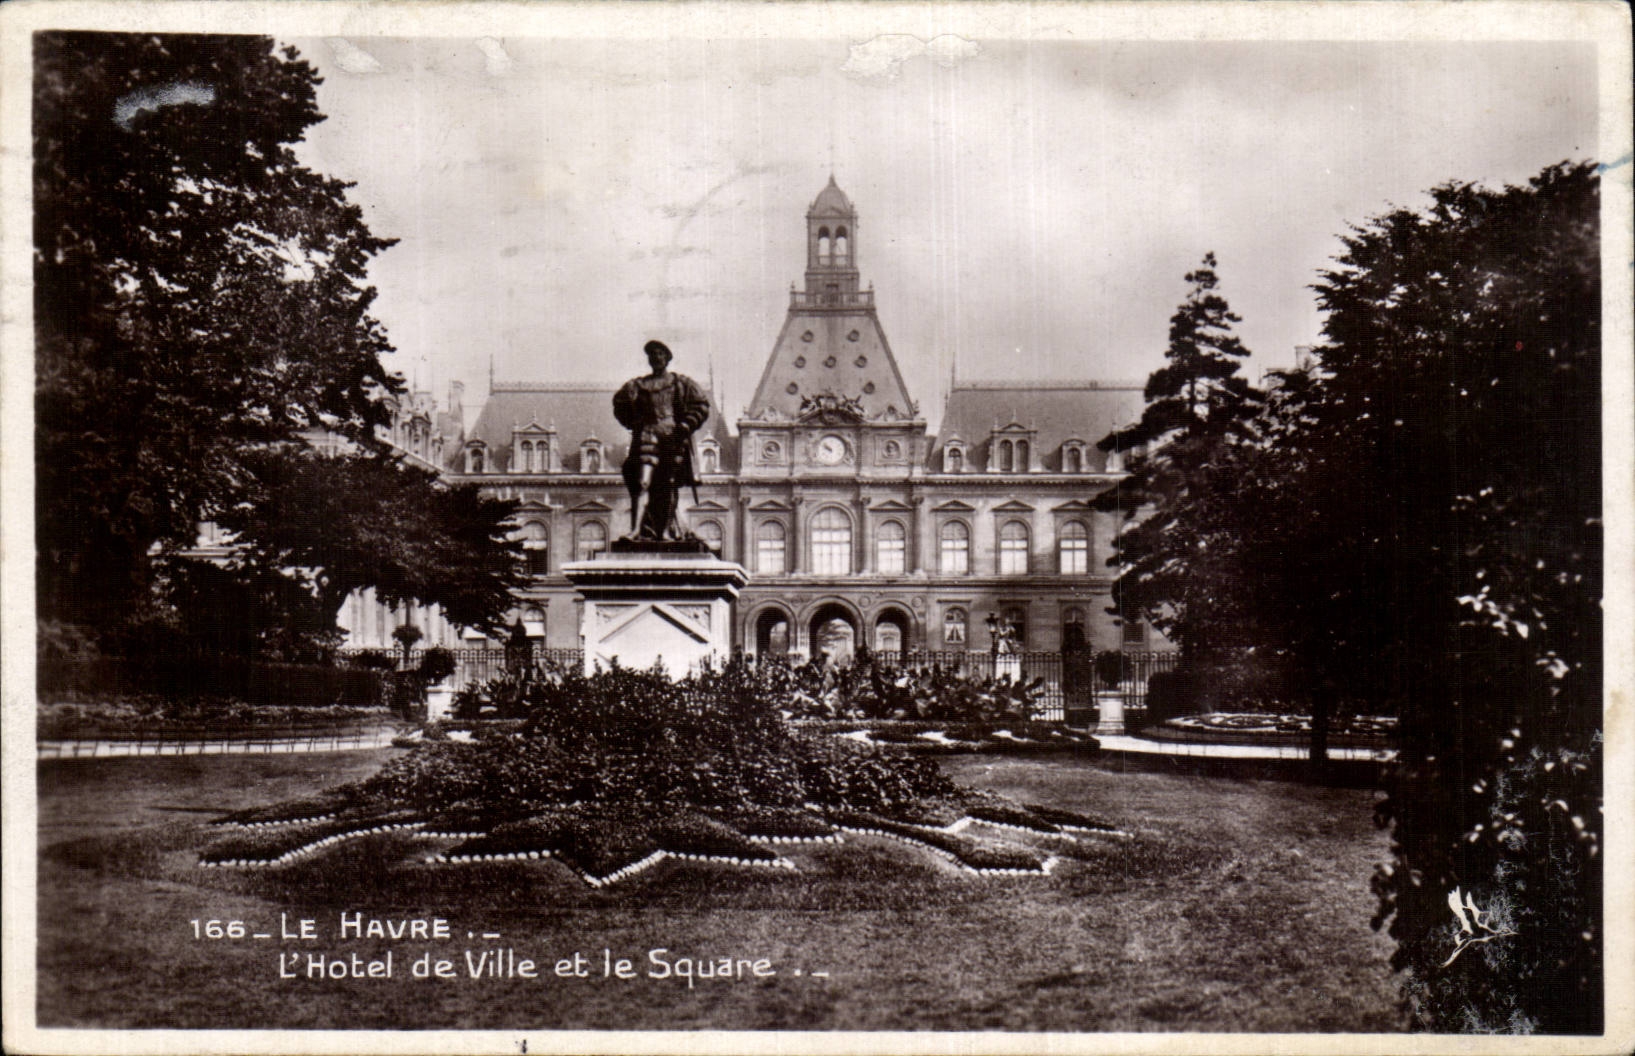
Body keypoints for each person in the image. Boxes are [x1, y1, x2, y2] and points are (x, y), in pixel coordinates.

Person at [612, 340, 712, 541]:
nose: (656, 357)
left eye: (660, 354)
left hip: (672, 437)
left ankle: (664, 531)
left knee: (668, 485)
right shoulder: (638, 385)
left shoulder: (681, 383)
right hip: (647, 435)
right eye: (652, 354)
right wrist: (634, 423)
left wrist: (686, 425)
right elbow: (619, 404)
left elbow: (701, 405)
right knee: (642, 482)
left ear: (667, 358)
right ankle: (635, 530)